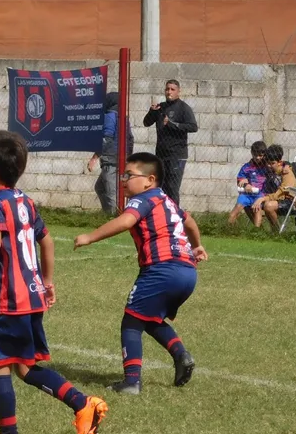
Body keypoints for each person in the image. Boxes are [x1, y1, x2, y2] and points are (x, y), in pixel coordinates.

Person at [0, 129, 108, 434]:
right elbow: (46, 241)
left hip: (8, 300)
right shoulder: (25, 201)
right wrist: (47, 281)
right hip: (32, 298)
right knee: (26, 367)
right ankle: (82, 404)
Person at [74, 152, 208, 395]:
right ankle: (181, 355)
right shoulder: (166, 201)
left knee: (132, 321)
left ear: (150, 180)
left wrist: (89, 237)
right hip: (187, 271)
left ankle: (131, 382)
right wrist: (197, 245)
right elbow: (189, 222)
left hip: (162, 269)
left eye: (129, 175)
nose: (124, 180)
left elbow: (126, 221)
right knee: (150, 318)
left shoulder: (142, 199)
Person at [143, 79, 198, 205]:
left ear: (178, 91)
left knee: (172, 188)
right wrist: (152, 112)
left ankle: (174, 214)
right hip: (161, 154)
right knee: (160, 187)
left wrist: (172, 124)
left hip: (177, 155)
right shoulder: (161, 107)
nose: (169, 92)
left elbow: (193, 127)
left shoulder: (184, 108)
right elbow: (146, 123)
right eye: (167, 89)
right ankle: (162, 214)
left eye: (172, 89)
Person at [88, 91, 134, 215]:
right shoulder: (123, 118)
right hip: (121, 158)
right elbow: (130, 138)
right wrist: (128, 156)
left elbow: (107, 138)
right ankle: (108, 214)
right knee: (100, 187)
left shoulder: (110, 116)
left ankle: (114, 217)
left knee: (111, 191)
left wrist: (95, 157)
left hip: (110, 159)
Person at [252, 144, 296, 231]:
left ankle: (276, 232)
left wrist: (263, 198)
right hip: (273, 199)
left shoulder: (286, 173)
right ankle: (257, 231)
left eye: (272, 163)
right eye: (267, 163)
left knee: (268, 205)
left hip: (289, 201)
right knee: (251, 203)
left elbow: (281, 193)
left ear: (279, 162)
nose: (269, 165)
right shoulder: (270, 171)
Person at [227, 141, 269, 227]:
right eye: (255, 155)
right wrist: (245, 184)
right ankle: (229, 230)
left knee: (257, 211)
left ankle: (257, 231)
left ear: (264, 155)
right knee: (234, 213)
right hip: (247, 194)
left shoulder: (267, 167)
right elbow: (240, 179)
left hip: (260, 195)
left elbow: (279, 164)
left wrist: (287, 165)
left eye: (260, 155)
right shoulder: (247, 167)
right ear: (252, 153)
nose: (257, 157)